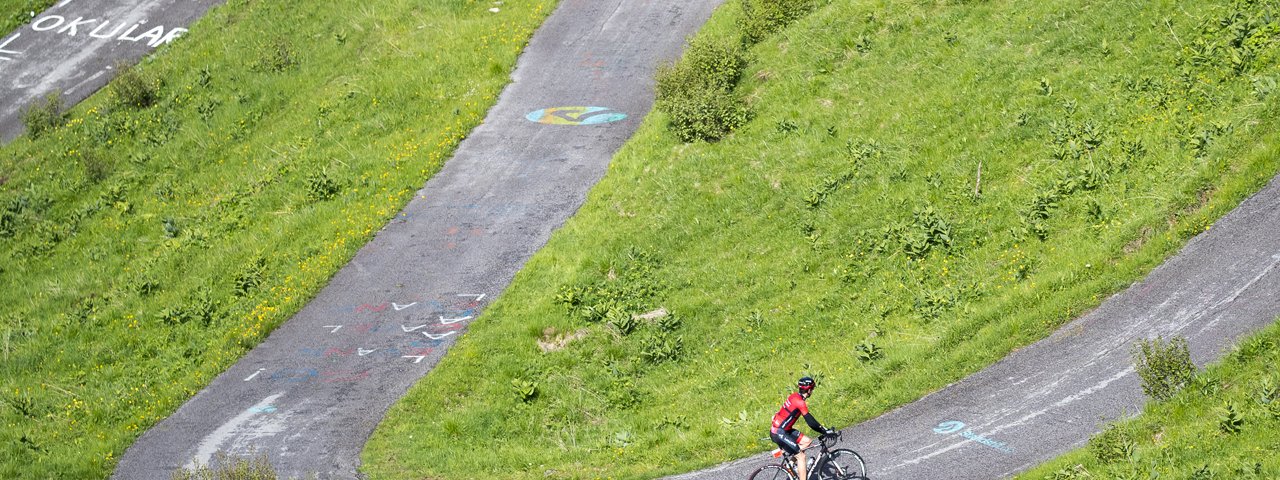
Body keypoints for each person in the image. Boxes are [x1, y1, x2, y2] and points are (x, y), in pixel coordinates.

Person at [770, 376, 835, 480]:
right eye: (812, 389)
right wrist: (824, 431)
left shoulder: (794, 396)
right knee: (801, 457)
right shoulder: (800, 402)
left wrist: (823, 429)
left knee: (807, 441)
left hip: (782, 429)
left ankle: (790, 465)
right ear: (809, 390)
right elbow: (810, 422)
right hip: (779, 432)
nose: (812, 391)